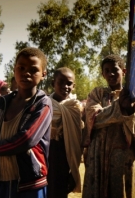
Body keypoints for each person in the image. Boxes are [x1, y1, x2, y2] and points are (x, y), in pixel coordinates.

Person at [0, 47, 52, 198]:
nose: (26, 73)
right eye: (21, 68)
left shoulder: (43, 104)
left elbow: (26, 139)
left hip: (29, 184)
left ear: (43, 74)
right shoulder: (1, 103)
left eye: (33, 69)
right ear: (14, 70)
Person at [82, 54, 135, 198]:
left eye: (115, 70)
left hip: (124, 159)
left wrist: (130, 112)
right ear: (103, 74)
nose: (111, 74)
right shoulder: (97, 93)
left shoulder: (134, 98)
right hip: (98, 156)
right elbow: (93, 119)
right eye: (106, 71)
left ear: (124, 71)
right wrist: (119, 107)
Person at [47, 67, 84, 196]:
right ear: (53, 83)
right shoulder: (45, 105)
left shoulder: (76, 108)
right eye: (60, 82)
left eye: (69, 83)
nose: (65, 86)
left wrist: (74, 170)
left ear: (73, 86)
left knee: (60, 192)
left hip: (65, 158)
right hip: (46, 155)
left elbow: (77, 139)